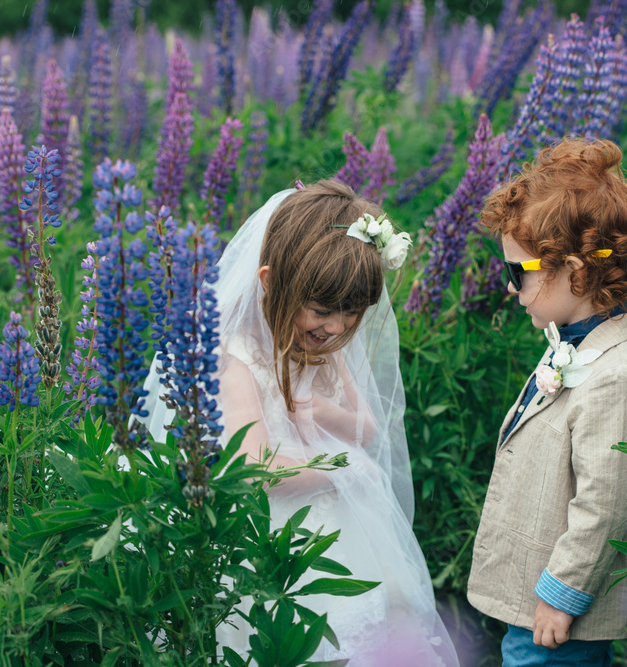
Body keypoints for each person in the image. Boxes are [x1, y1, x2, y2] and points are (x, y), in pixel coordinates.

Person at [142, 180, 457, 666]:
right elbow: (254, 467)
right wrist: (342, 471)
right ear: (269, 282)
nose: (336, 328)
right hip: (266, 544)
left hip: (336, 539)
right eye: (324, 310)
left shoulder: (323, 351)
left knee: (363, 639)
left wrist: (324, 412)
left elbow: (368, 429)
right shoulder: (235, 361)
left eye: (352, 314)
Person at [467, 139, 627, 666]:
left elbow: (607, 503)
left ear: (575, 273)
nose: (511, 289)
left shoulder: (613, 376)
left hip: (562, 613)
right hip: (536, 595)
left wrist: (562, 594)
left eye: (519, 272)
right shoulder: (574, 344)